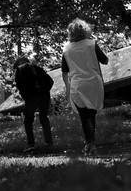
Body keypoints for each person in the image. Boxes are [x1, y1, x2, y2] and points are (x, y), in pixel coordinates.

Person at [61, 19, 108, 155]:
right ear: (86, 30)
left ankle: (90, 144)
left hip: (77, 84)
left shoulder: (67, 49)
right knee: (91, 114)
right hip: (94, 82)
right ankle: (91, 143)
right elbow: (105, 60)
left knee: (84, 116)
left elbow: (64, 71)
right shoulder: (91, 44)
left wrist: (67, 88)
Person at [13, 55, 54, 153]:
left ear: (18, 64)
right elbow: (50, 81)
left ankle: (31, 145)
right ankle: (49, 143)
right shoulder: (38, 68)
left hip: (31, 97)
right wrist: (44, 91)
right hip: (44, 95)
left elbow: (20, 86)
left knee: (28, 120)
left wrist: (26, 96)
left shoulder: (19, 70)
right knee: (44, 118)